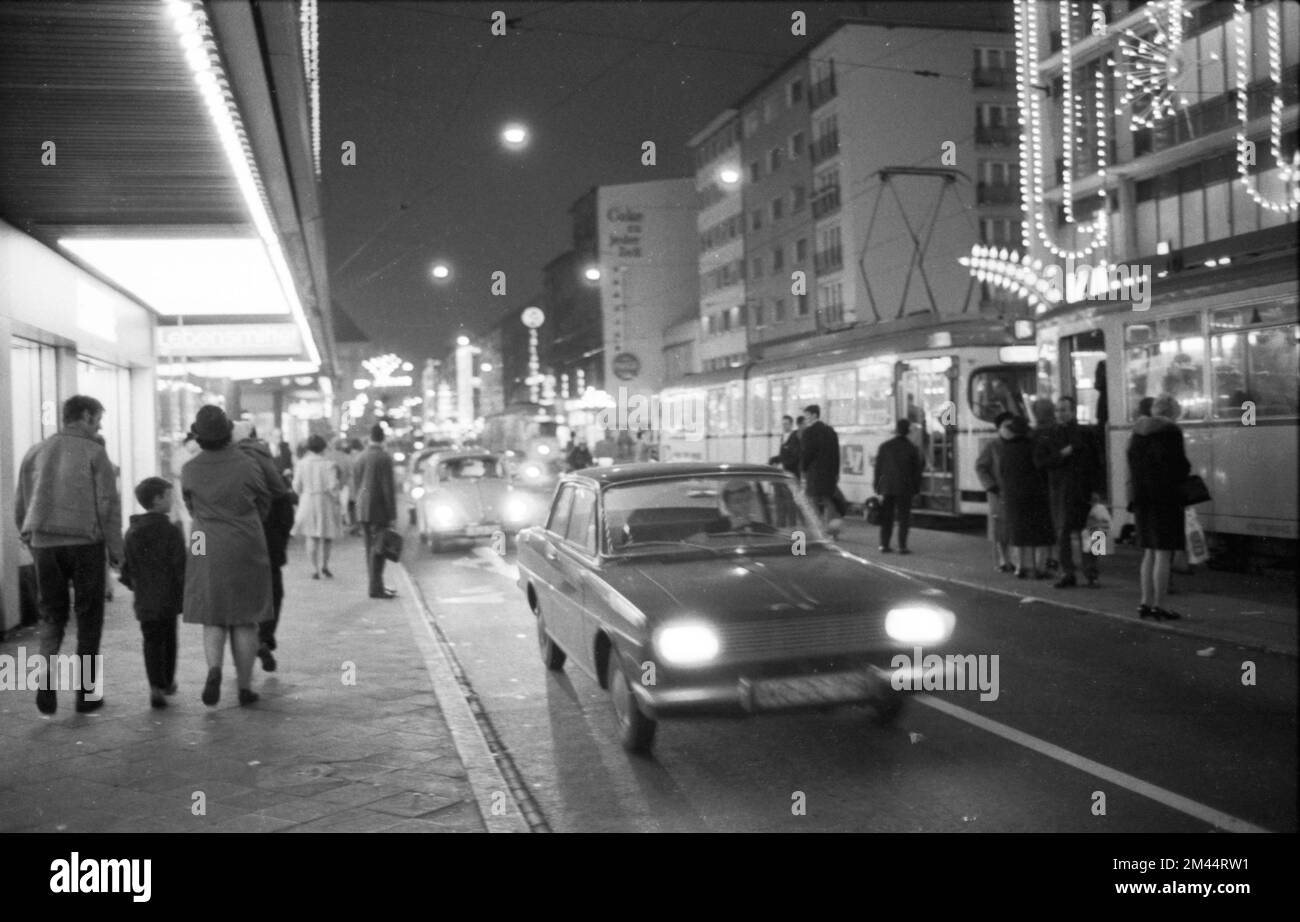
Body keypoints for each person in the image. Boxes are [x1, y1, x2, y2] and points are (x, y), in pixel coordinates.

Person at [14, 395, 123, 714]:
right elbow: (107, 505)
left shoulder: (36, 451)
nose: (100, 424)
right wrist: (117, 551)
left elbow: (21, 501)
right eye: (98, 418)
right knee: (89, 616)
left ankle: (45, 681)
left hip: (44, 544)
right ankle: (86, 694)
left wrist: (28, 534)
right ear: (85, 416)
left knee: (52, 614)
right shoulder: (94, 452)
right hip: (85, 543)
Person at [182, 405, 272, 707]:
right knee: (246, 618)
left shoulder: (190, 468)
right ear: (227, 432)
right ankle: (245, 687)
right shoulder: (246, 464)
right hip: (245, 539)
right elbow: (264, 499)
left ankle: (214, 669)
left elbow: (190, 507)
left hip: (202, 539)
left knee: (212, 613)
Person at [234, 421, 296, 671]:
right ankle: (265, 636)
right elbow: (277, 491)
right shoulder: (260, 452)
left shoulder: (233, 458)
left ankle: (248, 646)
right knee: (272, 582)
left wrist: (198, 551)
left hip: (247, 529)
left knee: (246, 586)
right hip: (272, 525)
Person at [119, 477, 186, 709]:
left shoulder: (132, 531)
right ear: (158, 500)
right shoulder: (172, 530)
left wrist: (135, 585)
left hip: (144, 598)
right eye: (169, 495)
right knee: (169, 639)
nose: (172, 500)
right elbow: (181, 565)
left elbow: (126, 568)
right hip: (168, 598)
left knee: (151, 641)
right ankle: (167, 681)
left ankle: (155, 686)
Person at [1127, 395, 1191, 621]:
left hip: (1142, 499)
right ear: (1172, 412)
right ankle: (1160, 606)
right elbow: (1179, 466)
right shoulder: (1171, 432)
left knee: (1149, 553)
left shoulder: (1137, 432)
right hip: (1165, 499)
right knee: (1164, 554)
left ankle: (1145, 603)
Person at [1034, 395, 1105, 589]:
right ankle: (1068, 572)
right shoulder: (1048, 434)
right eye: (1058, 410)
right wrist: (1061, 455)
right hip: (1062, 490)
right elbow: (1040, 462)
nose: (1060, 413)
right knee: (1065, 533)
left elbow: (1097, 463)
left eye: (1064, 409)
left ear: (1073, 411)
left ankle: (1092, 572)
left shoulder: (1085, 433)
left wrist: (1097, 489)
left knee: (1093, 531)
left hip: (1082, 489)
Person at [998, 416, 1055, 578]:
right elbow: (1042, 468)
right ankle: (1039, 568)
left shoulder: (1006, 449)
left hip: (1014, 496)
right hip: (1036, 494)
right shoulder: (1034, 445)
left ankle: (1020, 567)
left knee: (1018, 532)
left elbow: (1002, 472)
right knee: (1040, 533)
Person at [353, 424, 398, 599]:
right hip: (378, 510)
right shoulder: (383, 458)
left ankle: (375, 584)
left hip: (363, 508)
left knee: (369, 549)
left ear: (369, 438)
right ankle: (376, 588)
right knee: (379, 550)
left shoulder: (360, 457)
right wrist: (392, 515)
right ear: (383, 439)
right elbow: (388, 488)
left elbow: (356, 485)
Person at [293, 434, 343, 580]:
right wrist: (337, 500)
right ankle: (325, 566)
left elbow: (296, 486)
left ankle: (314, 568)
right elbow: (333, 486)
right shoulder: (329, 464)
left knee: (311, 537)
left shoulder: (301, 464)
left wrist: (303, 493)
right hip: (325, 501)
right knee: (327, 536)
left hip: (307, 501)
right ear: (323, 448)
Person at [873, 418, 924, 553]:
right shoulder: (912, 448)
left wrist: (877, 487)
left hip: (887, 488)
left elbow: (878, 469)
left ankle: (884, 545)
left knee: (887, 517)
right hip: (905, 488)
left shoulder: (885, 446)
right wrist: (916, 489)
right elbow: (916, 472)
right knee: (904, 518)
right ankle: (902, 546)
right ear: (907, 431)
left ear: (896, 430)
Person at [975, 411, 1016, 572]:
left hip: (1013, 492)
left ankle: (1012, 561)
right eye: (1006, 426)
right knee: (1000, 528)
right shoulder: (992, 446)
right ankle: (1002, 561)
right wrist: (990, 485)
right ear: (998, 428)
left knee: (1011, 528)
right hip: (997, 493)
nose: (1010, 429)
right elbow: (981, 467)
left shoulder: (1016, 444)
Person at [800, 404, 845, 535]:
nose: (806, 418)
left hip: (814, 473)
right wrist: (836, 472)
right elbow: (836, 453)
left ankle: (819, 531)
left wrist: (803, 469)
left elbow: (807, 453)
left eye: (807, 415)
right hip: (829, 473)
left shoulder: (808, 432)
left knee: (813, 502)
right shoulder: (830, 431)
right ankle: (832, 529)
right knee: (828, 500)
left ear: (814, 415)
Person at [770, 414, 801, 481]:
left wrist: (783, 464)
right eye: (783, 424)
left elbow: (795, 457)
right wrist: (773, 460)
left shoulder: (795, 437)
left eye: (786, 424)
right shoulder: (783, 436)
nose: (784, 426)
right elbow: (782, 455)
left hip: (793, 473)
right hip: (785, 472)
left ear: (791, 424)